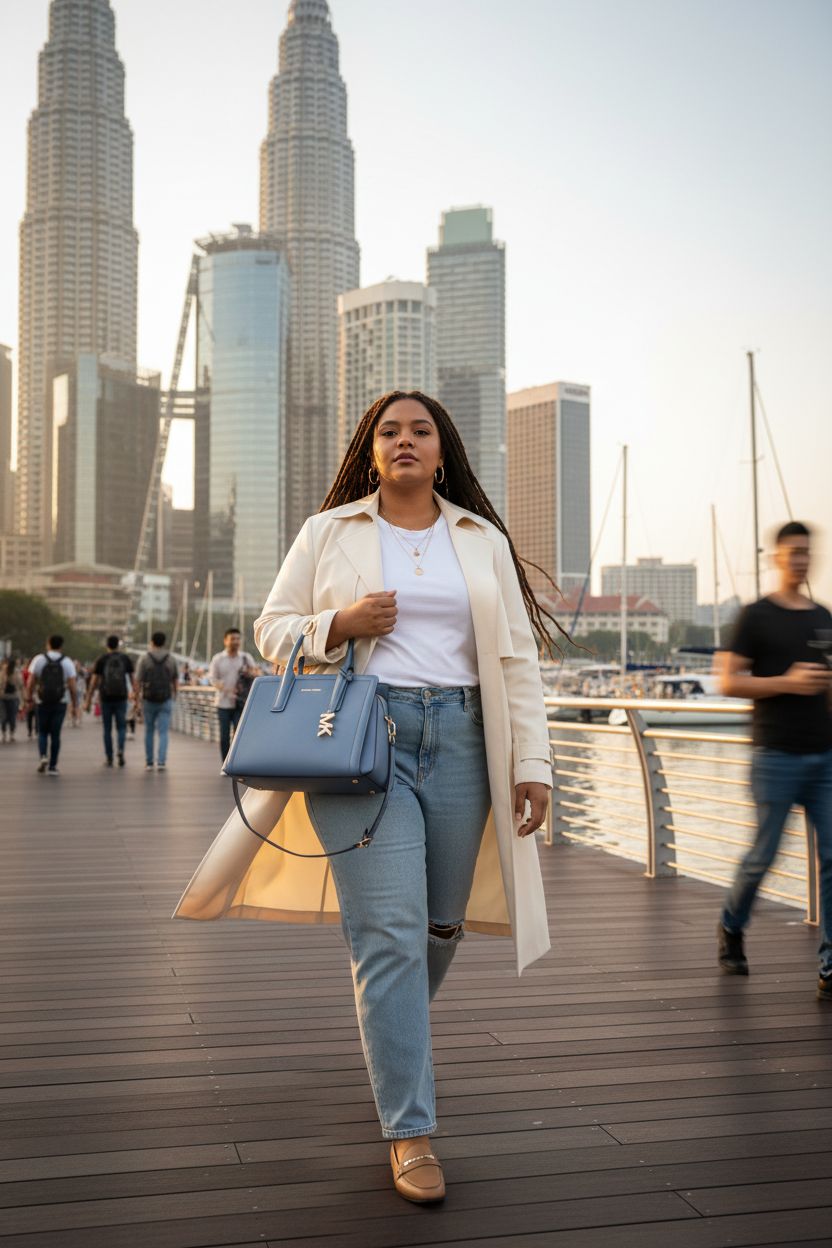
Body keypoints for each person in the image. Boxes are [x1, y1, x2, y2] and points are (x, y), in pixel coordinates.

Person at [174, 390, 566, 1203]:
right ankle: (411, 1130)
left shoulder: (480, 537)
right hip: (359, 744)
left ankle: (391, 1033)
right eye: (390, 431)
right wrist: (339, 622)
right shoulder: (331, 532)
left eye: (421, 430)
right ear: (370, 450)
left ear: (443, 449)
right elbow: (272, 629)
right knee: (388, 935)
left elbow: (518, 661)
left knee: (440, 925)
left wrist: (534, 762)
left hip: (463, 741)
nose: (405, 441)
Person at [716, 521, 832, 1000]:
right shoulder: (754, 616)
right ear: (777, 557)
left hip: (824, 758)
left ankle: (830, 966)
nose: (801, 560)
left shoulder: (824, 617)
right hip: (774, 756)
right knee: (764, 856)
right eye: (793, 553)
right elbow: (728, 681)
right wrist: (786, 681)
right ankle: (731, 925)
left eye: (807, 552)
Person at [26, 635, 78, 774]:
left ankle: (43, 756)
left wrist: (28, 699)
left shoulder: (39, 659)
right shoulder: (67, 662)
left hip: (42, 701)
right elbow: (73, 686)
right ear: (61, 645)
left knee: (42, 732)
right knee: (55, 734)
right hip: (60, 702)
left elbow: (31, 682)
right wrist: (75, 704)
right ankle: (53, 766)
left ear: (48, 644)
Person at [83, 636, 136, 767]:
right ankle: (120, 750)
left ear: (107, 645)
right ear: (118, 645)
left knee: (107, 729)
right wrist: (136, 695)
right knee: (121, 727)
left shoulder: (102, 659)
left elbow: (94, 681)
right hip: (121, 697)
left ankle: (109, 757)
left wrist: (88, 699)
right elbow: (132, 679)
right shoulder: (125, 659)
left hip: (106, 697)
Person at [208, 628, 258, 761]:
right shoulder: (218, 659)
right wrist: (226, 689)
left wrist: (250, 673)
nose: (235, 642)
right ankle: (225, 763)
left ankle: (236, 762)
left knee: (239, 735)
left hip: (240, 702)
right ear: (226, 641)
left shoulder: (246, 657)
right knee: (224, 736)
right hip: (223, 703)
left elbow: (256, 674)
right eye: (232, 639)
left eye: (238, 639)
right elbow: (212, 679)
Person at [135, 632, 178, 771]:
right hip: (166, 699)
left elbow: (138, 680)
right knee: (164, 732)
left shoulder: (144, 658)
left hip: (148, 699)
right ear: (164, 642)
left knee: (149, 730)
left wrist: (137, 698)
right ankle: (161, 762)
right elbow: (175, 680)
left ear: (151, 642)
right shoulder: (171, 658)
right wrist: (174, 696)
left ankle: (149, 762)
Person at [0, 656, 25, 743]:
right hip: (6, 697)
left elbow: (20, 685)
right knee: (7, 717)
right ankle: (7, 734)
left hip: (10, 697)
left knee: (9, 717)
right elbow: (21, 685)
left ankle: (8, 734)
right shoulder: (4, 672)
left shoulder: (14, 672)